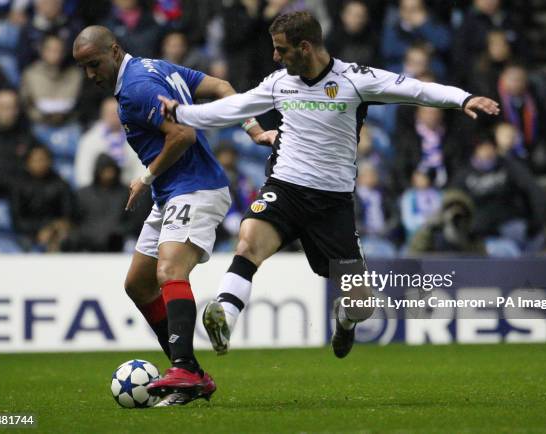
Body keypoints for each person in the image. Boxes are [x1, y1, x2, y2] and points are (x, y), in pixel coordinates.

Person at [158, 11, 499, 359]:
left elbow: (414, 89)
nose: (275, 57)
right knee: (248, 243)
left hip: (332, 205)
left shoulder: (354, 80)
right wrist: (182, 114)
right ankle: (225, 318)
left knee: (361, 304)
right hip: (285, 188)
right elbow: (234, 108)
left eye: (281, 49)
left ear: (304, 47)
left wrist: (463, 98)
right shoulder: (279, 82)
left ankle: (345, 319)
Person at [72, 25, 272, 406]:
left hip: (195, 188)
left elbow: (183, 135)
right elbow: (223, 87)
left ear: (113, 51)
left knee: (170, 272)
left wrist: (145, 177)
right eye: (83, 68)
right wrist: (254, 130)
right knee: (138, 285)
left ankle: (182, 368)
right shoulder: (153, 68)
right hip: (174, 193)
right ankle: (192, 375)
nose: (91, 75)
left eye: (94, 64)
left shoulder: (134, 90)